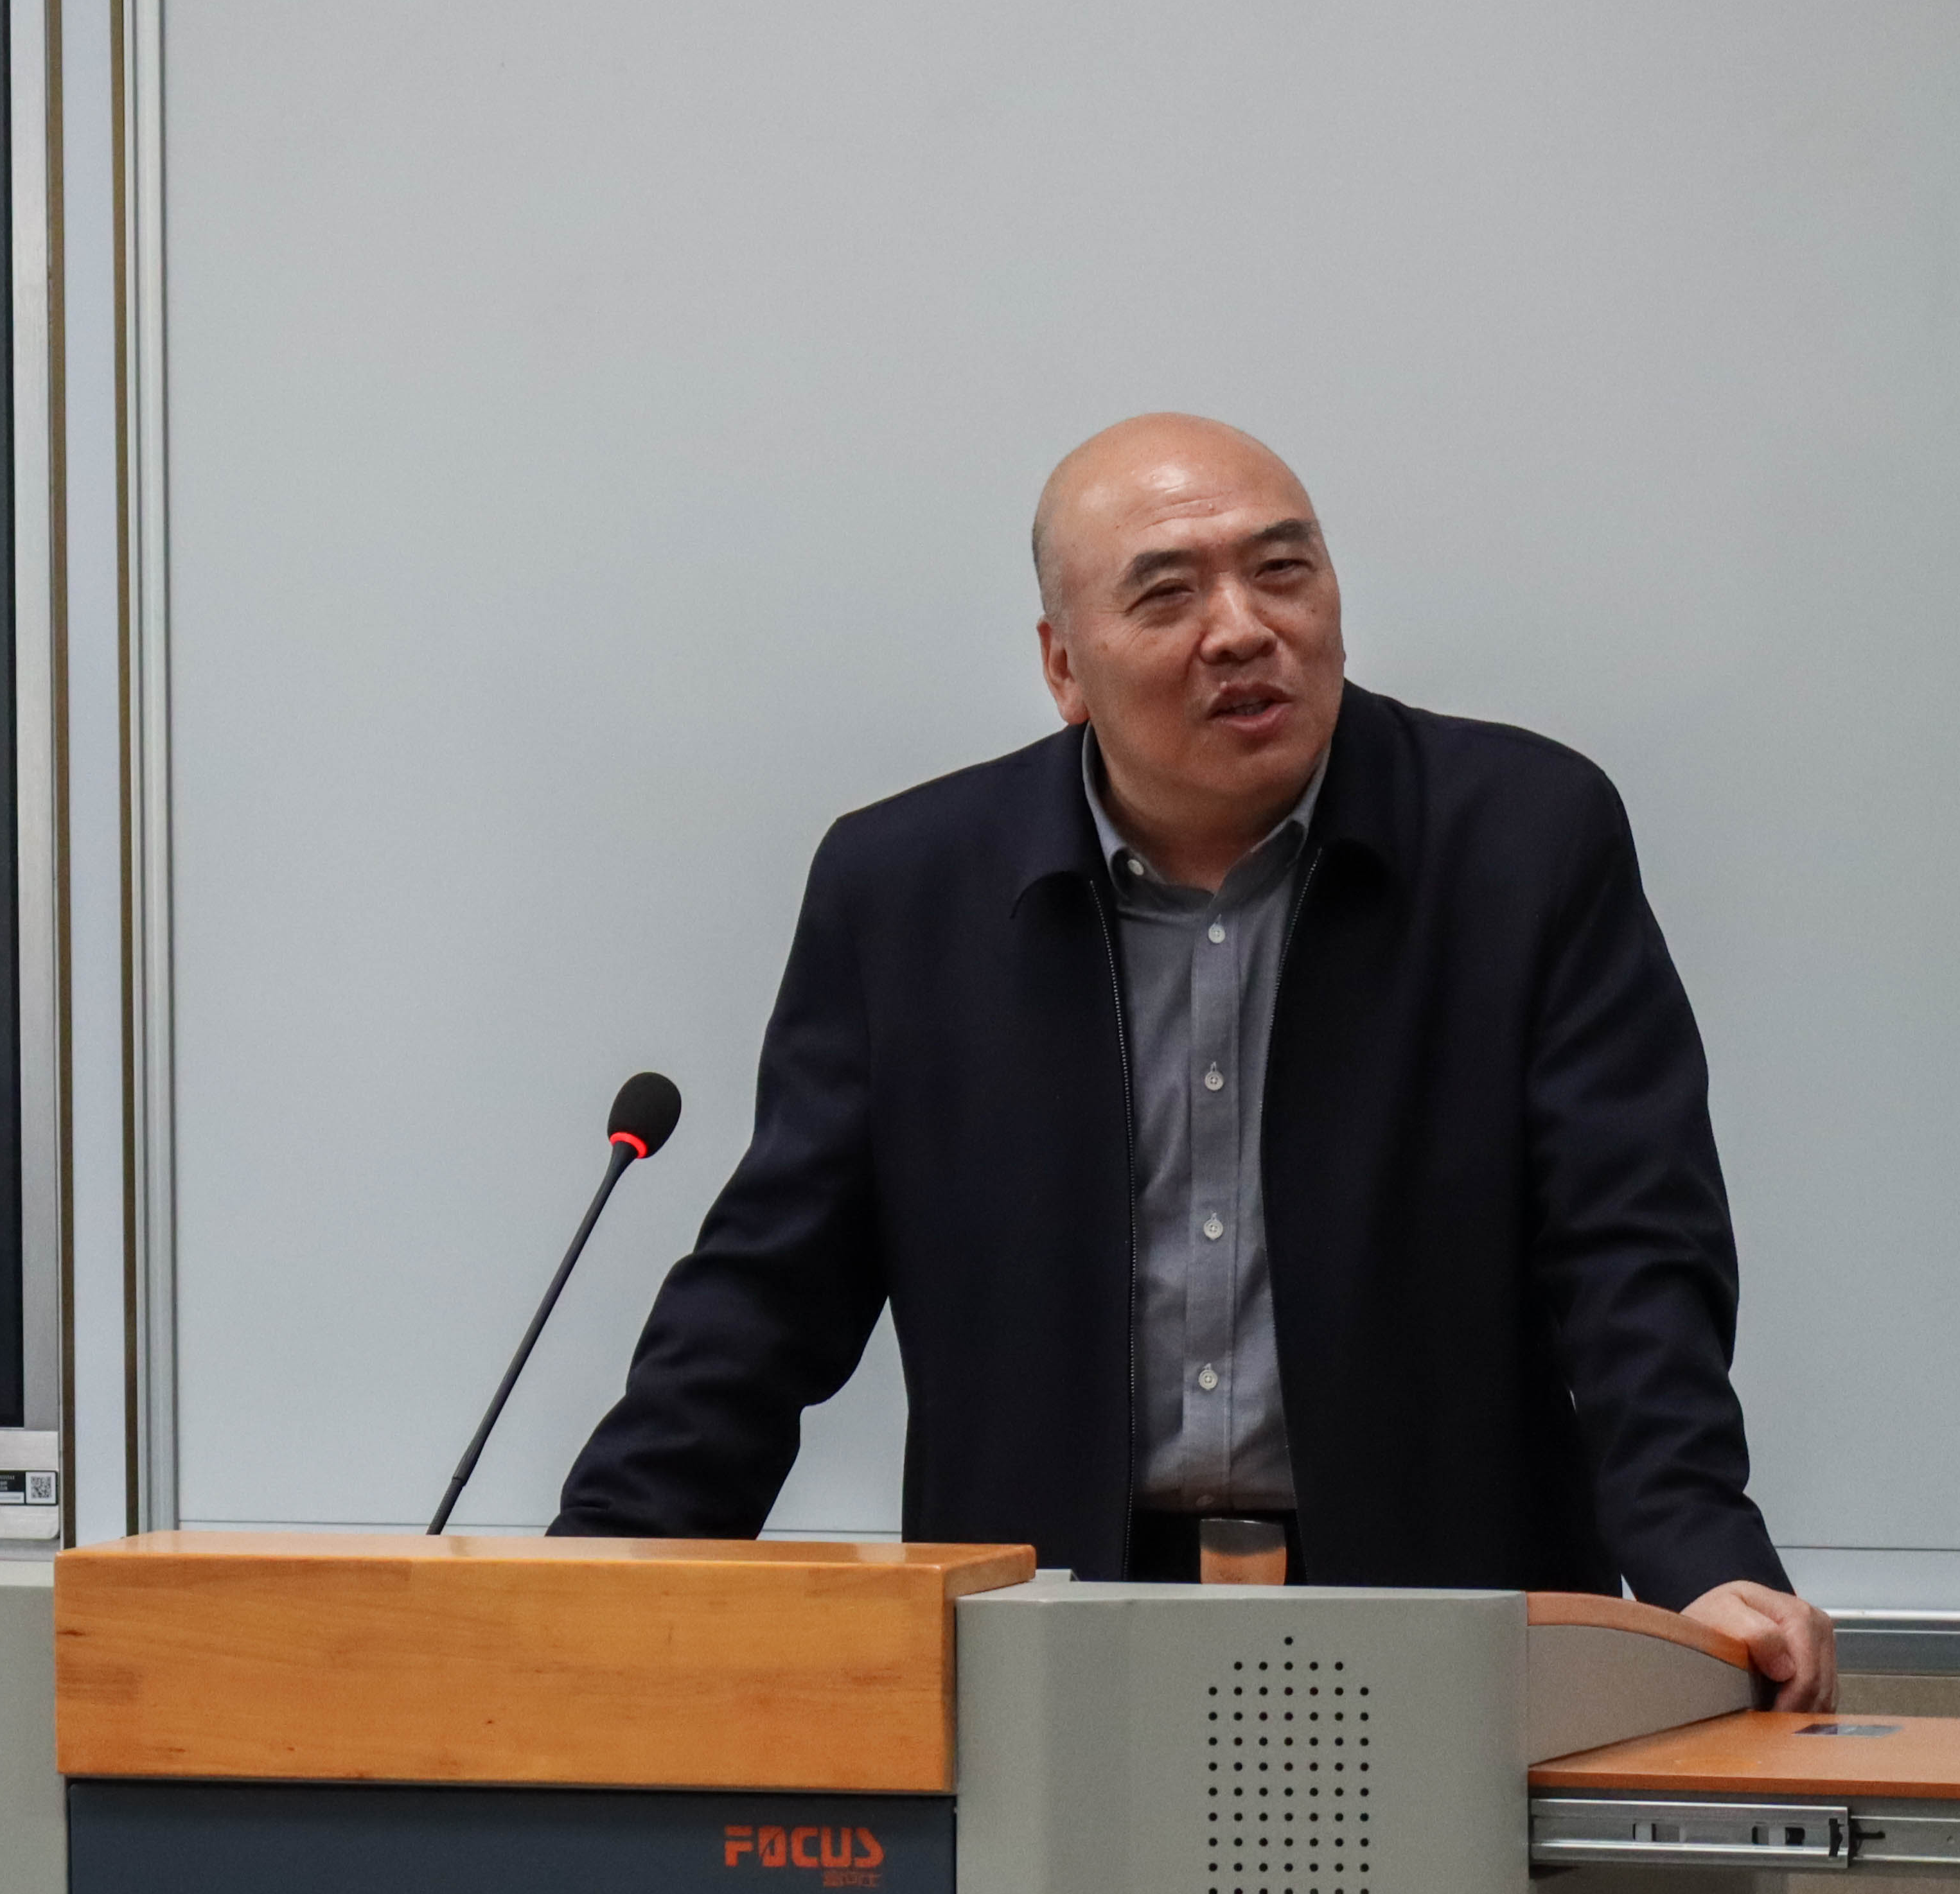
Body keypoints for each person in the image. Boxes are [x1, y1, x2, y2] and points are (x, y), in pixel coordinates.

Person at [550, 412, 1836, 1706]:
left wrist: (1698, 1555)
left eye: (1283, 571)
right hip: (1044, 1632)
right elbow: (770, 1292)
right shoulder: (907, 891)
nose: (1242, 630)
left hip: (1450, 1620)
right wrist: (590, 1568)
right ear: (1064, 667)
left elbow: (1630, 1253)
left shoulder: (1523, 839)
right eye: (1167, 594)